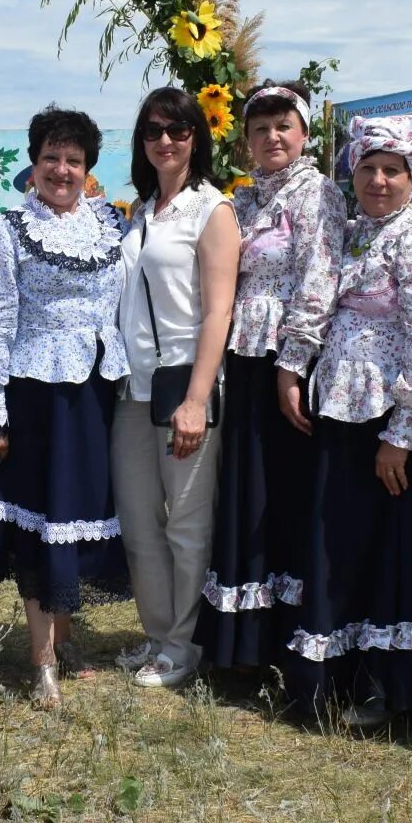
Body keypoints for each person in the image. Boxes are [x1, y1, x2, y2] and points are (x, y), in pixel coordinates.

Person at [283, 114, 412, 726]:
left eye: (393, 170)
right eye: (368, 168)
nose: (379, 180)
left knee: (391, 551)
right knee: (342, 543)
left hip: (390, 419)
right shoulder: (356, 233)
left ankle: (392, 688)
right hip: (342, 406)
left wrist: (401, 434)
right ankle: (336, 679)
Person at [0, 106, 130, 711]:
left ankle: (65, 636)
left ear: (89, 169)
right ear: (33, 165)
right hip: (33, 394)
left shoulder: (111, 226)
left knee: (77, 513)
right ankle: (43, 663)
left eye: (75, 161)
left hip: (92, 393)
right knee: (39, 523)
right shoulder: (6, 229)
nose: (62, 170)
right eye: (52, 158)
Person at [197, 82, 343, 675]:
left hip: (291, 357)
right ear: (246, 140)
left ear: (304, 135)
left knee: (288, 492)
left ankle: (289, 639)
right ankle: (243, 642)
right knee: (249, 488)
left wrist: (294, 363)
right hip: (248, 356)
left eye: (283, 126)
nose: (272, 138)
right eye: (260, 129)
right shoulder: (246, 200)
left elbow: (321, 276)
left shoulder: (320, 195)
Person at [113, 87, 241, 689]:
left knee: (185, 523)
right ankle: (158, 633)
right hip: (133, 387)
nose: (166, 140)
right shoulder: (141, 211)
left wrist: (197, 397)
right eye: (154, 130)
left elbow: (217, 313)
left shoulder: (211, 210)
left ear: (198, 136)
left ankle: (185, 644)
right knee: (139, 521)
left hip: (184, 381)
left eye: (179, 129)